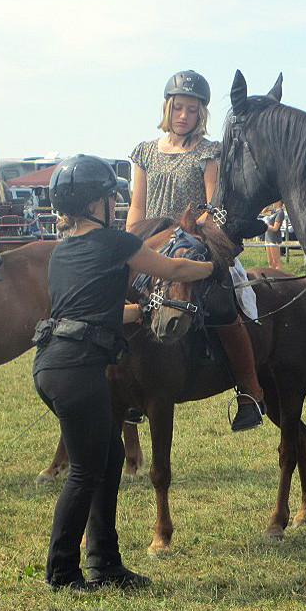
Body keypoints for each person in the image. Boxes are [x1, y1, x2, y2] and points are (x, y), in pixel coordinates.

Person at [34, 154, 215, 590]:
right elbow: (170, 268)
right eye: (111, 197)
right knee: (84, 472)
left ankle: (105, 563)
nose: (116, 203)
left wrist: (145, 309)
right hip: (79, 370)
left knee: (110, 459)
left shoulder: (62, 252)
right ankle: (62, 571)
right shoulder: (115, 243)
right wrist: (213, 266)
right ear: (97, 204)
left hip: (53, 365)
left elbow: (101, 311)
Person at [126, 69, 265, 431]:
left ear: (201, 113)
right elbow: (137, 207)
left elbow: (211, 204)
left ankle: (249, 390)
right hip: (149, 245)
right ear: (167, 108)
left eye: (192, 109)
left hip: (193, 241)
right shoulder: (144, 152)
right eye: (178, 108)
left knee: (222, 303)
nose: (183, 115)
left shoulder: (209, 152)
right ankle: (123, 387)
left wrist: (183, 235)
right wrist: (130, 243)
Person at [260, 201, 286, 268]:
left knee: (276, 261)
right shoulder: (274, 212)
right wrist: (267, 204)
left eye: (275, 201)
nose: (273, 203)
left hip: (274, 239)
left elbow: (275, 228)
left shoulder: (280, 213)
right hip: (268, 238)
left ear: (279, 203)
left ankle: (280, 276)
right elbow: (263, 212)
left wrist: (265, 226)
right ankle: (272, 276)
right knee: (270, 262)